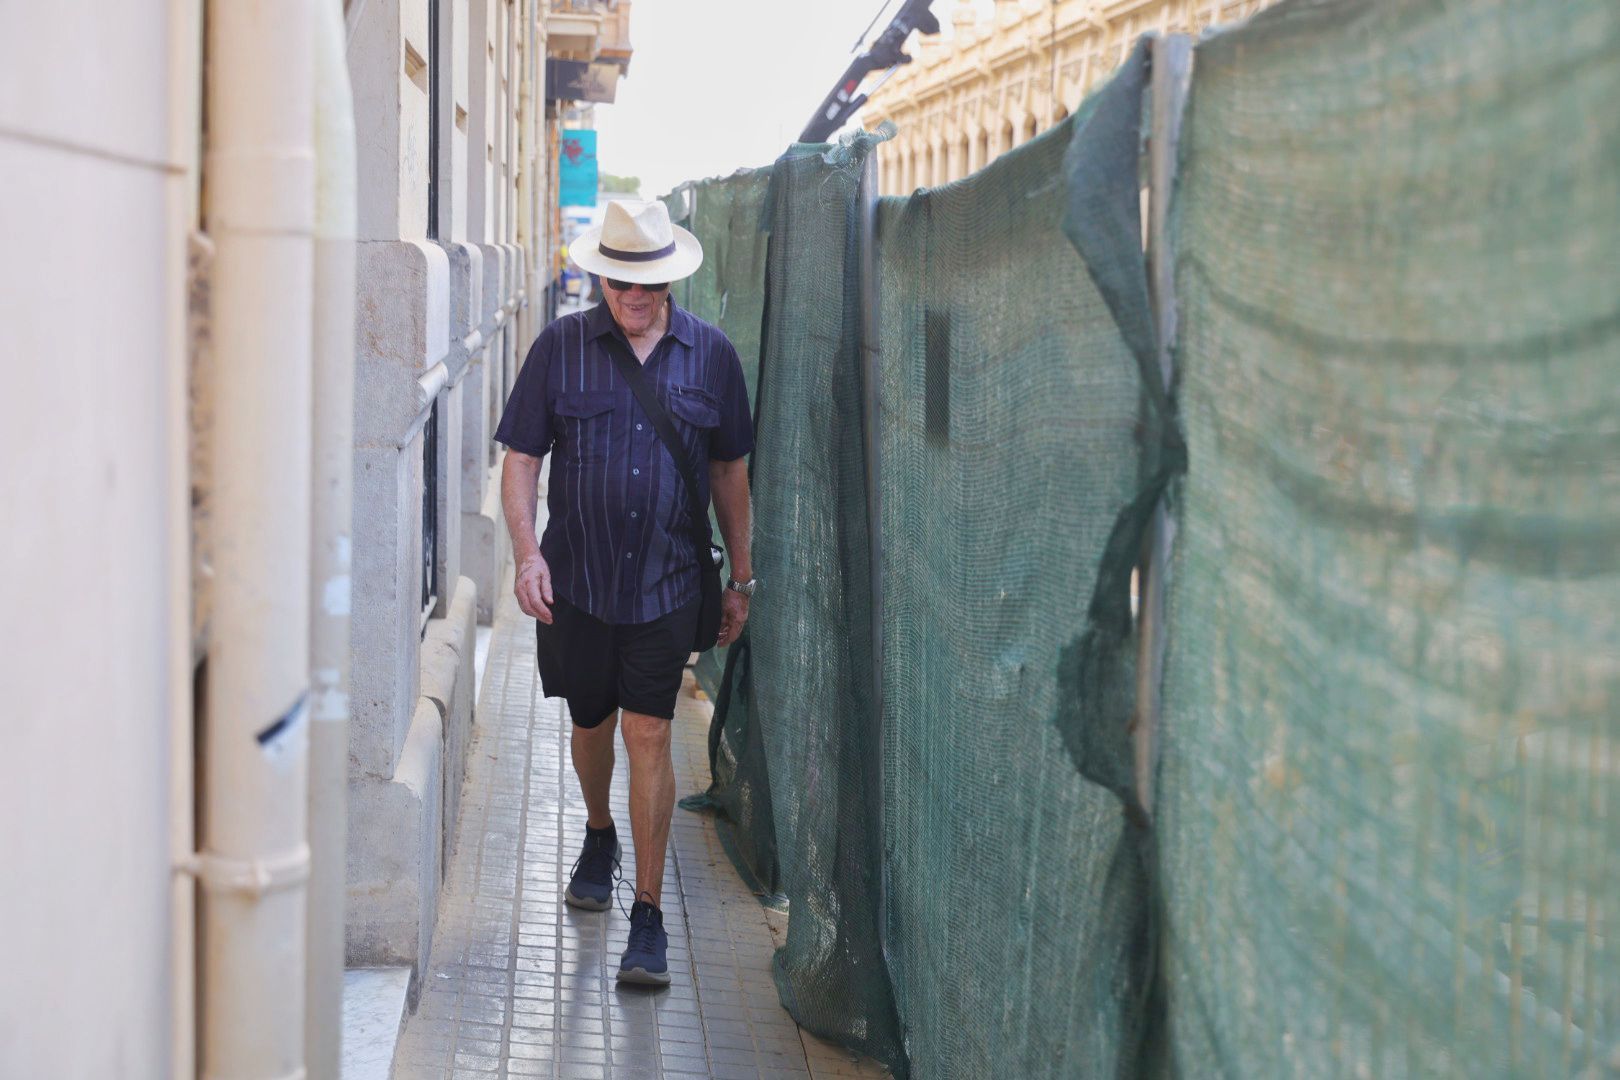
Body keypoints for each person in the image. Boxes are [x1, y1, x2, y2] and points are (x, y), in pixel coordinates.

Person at [494, 199, 756, 986]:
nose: (630, 299)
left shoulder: (711, 356)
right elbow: (521, 459)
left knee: (648, 732)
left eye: (645, 286)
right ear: (600, 274)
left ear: (669, 280)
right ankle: (599, 829)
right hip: (577, 579)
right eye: (617, 283)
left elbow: (729, 473)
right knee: (591, 721)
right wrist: (526, 554)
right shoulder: (560, 349)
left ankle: (647, 913)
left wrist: (741, 578)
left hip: (669, 581)